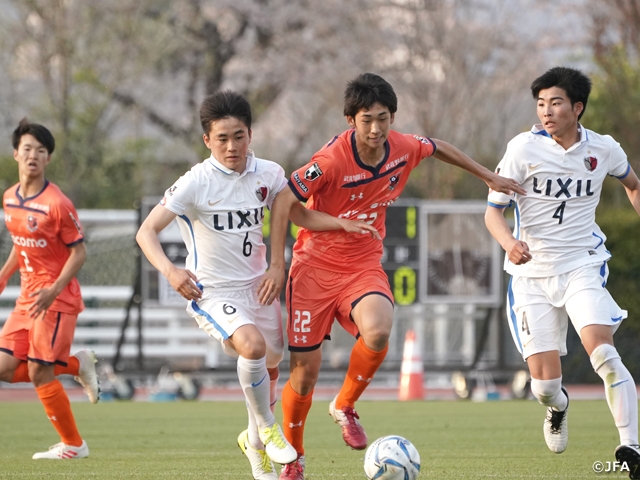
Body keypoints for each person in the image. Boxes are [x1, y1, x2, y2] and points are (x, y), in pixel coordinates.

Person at [269, 72, 525, 480]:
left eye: (383, 118)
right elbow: (287, 203)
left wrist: (487, 176)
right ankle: (294, 456)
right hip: (313, 268)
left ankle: (345, 405)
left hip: (362, 264)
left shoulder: (402, 147)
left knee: (379, 329)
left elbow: (438, 146)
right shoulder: (331, 160)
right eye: (367, 119)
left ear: (393, 117)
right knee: (304, 373)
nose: (376, 128)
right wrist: (322, 235)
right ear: (351, 120)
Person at [135, 90, 378, 480]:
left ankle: (252, 442)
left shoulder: (268, 173)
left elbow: (296, 213)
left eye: (239, 136)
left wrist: (340, 223)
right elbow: (147, 231)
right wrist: (170, 271)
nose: (232, 146)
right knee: (251, 346)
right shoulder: (196, 181)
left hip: (260, 289)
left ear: (250, 134)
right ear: (207, 141)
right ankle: (268, 428)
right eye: (222, 138)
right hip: (213, 292)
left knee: (267, 369)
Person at [485, 66, 640, 478]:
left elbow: (633, 184)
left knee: (604, 354)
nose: (546, 111)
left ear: (577, 107)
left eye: (555, 103)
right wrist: (509, 243)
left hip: (582, 265)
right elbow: (493, 213)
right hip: (531, 276)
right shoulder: (522, 149)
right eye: (540, 104)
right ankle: (558, 407)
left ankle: (631, 446)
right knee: (545, 386)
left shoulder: (604, 149)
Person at [0, 119, 99, 460]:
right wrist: (2, 276)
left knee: (41, 370)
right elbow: (20, 243)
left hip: (56, 299)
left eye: (40, 151)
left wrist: (54, 289)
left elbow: (79, 252)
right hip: (27, 297)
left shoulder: (58, 204)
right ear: (16, 153)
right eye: (27, 149)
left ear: (47, 160)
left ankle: (74, 445)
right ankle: (74, 365)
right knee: (4, 369)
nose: (33, 156)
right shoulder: (9, 198)